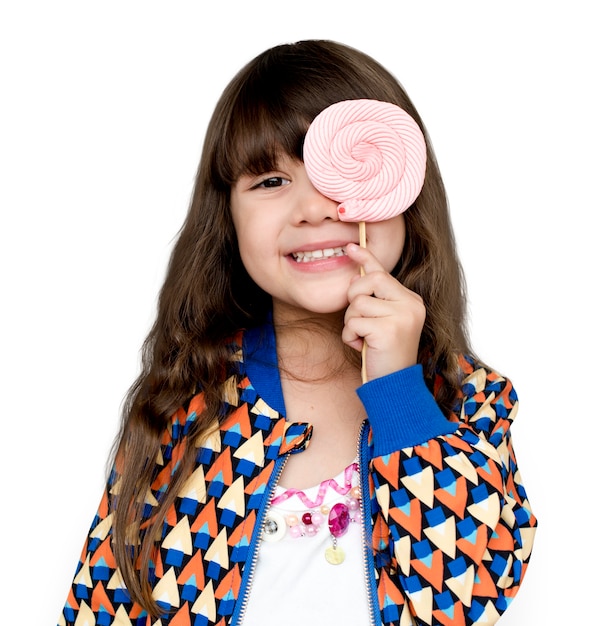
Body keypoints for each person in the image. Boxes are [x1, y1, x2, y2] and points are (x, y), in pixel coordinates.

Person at [58, 40, 536, 626]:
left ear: (406, 195)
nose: (313, 209)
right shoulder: (186, 405)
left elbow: (467, 597)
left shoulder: (468, 401)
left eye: (344, 173)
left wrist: (399, 392)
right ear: (227, 219)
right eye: (269, 181)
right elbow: (102, 607)